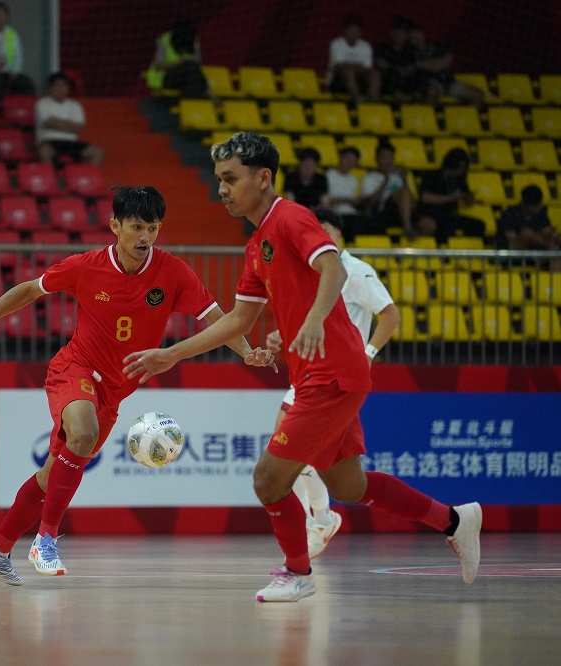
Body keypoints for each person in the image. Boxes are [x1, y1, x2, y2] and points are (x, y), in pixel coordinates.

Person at [123, 131, 481, 602]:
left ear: (263, 177)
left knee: (268, 479)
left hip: (333, 372)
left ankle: (298, 573)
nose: (222, 189)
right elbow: (237, 320)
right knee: (349, 485)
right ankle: (455, 519)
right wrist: (172, 353)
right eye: (219, 180)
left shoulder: (290, 217)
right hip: (318, 374)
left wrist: (313, 321)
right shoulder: (256, 246)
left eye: (230, 178)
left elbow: (334, 267)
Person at [0, 185, 275, 584]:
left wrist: (247, 351)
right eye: (136, 227)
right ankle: (45, 540)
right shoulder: (86, 266)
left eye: (152, 228)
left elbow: (216, 316)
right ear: (115, 225)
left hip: (115, 391)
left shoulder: (173, 273)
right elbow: (30, 289)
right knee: (83, 433)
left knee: (52, 475)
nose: (145, 237)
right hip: (75, 368)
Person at [264, 207, 400, 559]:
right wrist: (284, 335)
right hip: (311, 371)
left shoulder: (355, 271)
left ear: (338, 235)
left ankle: (321, 522)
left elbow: (390, 314)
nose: (317, 237)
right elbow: (316, 318)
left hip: (338, 375)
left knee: (293, 452)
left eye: (324, 231)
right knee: (294, 451)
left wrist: (369, 351)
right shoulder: (313, 272)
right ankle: (322, 518)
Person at [415, 148, 485, 244]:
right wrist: (452, 197)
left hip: (449, 215)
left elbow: (466, 200)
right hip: (431, 213)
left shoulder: (460, 180)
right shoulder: (432, 175)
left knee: (478, 226)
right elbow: (425, 198)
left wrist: (469, 198)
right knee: (445, 227)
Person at [35, 72, 104, 166]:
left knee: (97, 152)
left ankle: (86, 180)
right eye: (57, 85)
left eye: (64, 85)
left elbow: (79, 127)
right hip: (50, 141)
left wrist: (57, 122)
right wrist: (70, 125)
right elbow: (49, 123)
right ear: (50, 88)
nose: (60, 88)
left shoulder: (75, 105)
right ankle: (48, 179)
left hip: (71, 142)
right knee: (44, 151)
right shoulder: (42, 103)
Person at [409, 26, 483, 107]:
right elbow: (415, 66)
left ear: (421, 33)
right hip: (430, 84)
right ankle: (430, 118)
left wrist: (423, 64)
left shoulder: (437, 45)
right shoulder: (410, 52)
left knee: (478, 95)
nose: (416, 37)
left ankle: (465, 118)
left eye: (417, 34)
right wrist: (436, 63)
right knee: (431, 92)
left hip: (448, 82)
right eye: (412, 37)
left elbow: (446, 62)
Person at [496, 186, 560, 270]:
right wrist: (540, 240)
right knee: (527, 233)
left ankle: (556, 280)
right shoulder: (510, 214)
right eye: (533, 204)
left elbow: (547, 232)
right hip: (513, 253)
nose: (536, 207)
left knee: (554, 247)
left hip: (537, 251)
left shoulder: (541, 214)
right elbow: (513, 241)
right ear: (525, 203)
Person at [145, 19, 211, 99]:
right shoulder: (165, 39)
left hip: (186, 78)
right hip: (166, 78)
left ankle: (191, 103)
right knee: (190, 67)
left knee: (191, 73)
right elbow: (159, 65)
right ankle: (206, 92)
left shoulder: (193, 40)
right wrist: (179, 63)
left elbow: (197, 64)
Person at [360, 142, 414, 237]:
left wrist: (404, 179)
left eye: (391, 157)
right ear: (377, 159)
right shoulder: (369, 177)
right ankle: (408, 227)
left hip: (398, 212)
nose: (388, 161)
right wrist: (385, 180)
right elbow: (370, 203)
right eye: (384, 157)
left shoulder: (398, 177)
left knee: (427, 224)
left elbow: (412, 201)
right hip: (380, 211)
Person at [326, 15, 381, 103]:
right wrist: (356, 67)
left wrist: (352, 67)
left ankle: (374, 101)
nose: (353, 33)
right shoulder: (336, 44)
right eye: (351, 30)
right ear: (345, 31)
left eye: (356, 31)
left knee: (375, 74)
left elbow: (367, 68)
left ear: (361, 32)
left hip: (359, 80)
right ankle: (358, 100)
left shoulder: (366, 46)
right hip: (338, 81)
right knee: (349, 72)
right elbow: (340, 66)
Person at [323, 146, 365, 242]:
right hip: (333, 214)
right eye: (348, 159)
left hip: (352, 214)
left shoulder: (354, 179)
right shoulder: (328, 175)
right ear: (341, 157)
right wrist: (346, 200)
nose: (350, 163)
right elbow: (326, 201)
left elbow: (357, 200)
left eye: (353, 161)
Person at [374, 17, 419, 100]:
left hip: (404, 82)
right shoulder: (382, 48)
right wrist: (397, 70)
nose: (399, 36)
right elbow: (381, 64)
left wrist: (396, 69)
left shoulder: (410, 51)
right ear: (391, 33)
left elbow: (410, 69)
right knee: (392, 75)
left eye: (402, 34)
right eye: (397, 33)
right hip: (387, 81)